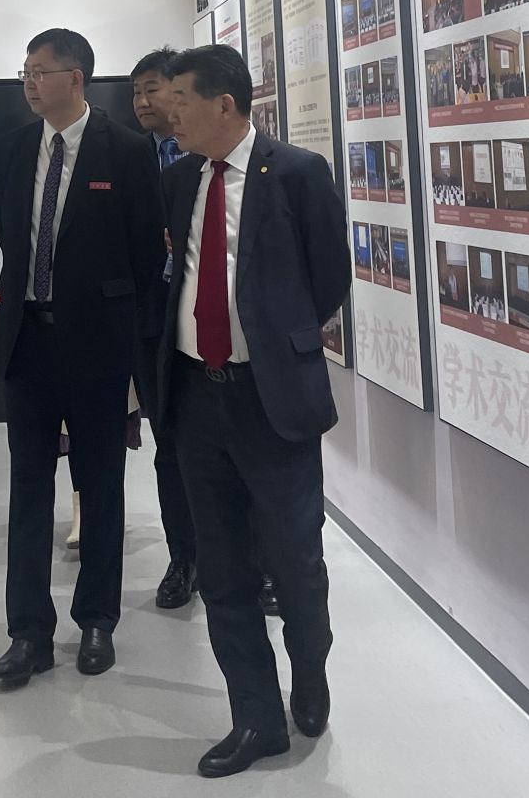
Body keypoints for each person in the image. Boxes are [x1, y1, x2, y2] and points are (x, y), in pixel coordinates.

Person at [151, 44, 351, 777]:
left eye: (179, 99)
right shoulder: (178, 180)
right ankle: (256, 718)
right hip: (195, 398)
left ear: (224, 104)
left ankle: (311, 667)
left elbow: (329, 277)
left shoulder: (296, 173)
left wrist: (271, 342)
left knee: (294, 559)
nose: (167, 113)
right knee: (223, 568)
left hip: (271, 400)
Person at [0, 29, 163, 687]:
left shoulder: (128, 150)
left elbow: (144, 256)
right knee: (28, 486)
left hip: (98, 344)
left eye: (41, 71)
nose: (30, 83)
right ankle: (28, 631)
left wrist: (134, 346)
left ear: (76, 78)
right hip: (28, 340)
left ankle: (97, 621)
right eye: (25, 72)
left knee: (101, 482)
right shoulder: (10, 150)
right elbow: (11, 236)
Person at [129, 45, 199, 610]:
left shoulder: (210, 155)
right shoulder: (130, 159)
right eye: (135, 92)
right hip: (154, 325)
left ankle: (257, 564)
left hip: (215, 321)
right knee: (169, 446)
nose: (142, 101)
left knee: (239, 447)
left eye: (152, 88)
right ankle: (185, 560)